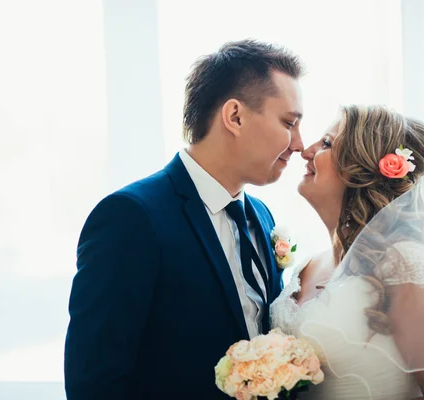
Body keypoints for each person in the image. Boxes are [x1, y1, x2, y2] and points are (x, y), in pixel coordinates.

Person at [64, 39, 305, 399]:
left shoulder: (261, 216)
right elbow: (94, 380)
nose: (299, 143)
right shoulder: (132, 217)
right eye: (289, 122)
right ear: (235, 116)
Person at [271, 105, 424, 399]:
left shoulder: (404, 263)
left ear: (361, 170)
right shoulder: (311, 263)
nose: (307, 151)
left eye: (327, 143)